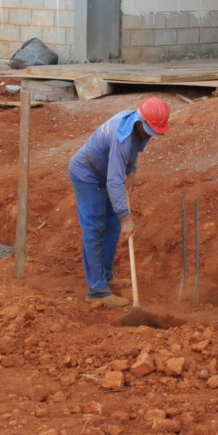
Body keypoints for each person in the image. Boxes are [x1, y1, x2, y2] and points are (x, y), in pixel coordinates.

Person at [68, 97, 170, 308]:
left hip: (104, 173)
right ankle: (97, 291)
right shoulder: (121, 136)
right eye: (150, 129)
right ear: (140, 122)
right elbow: (114, 180)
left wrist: (132, 170)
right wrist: (126, 216)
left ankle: (106, 276)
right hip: (88, 175)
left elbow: (132, 152)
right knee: (95, 229)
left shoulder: (134, 124)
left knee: (112, 228)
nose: (151, 135)